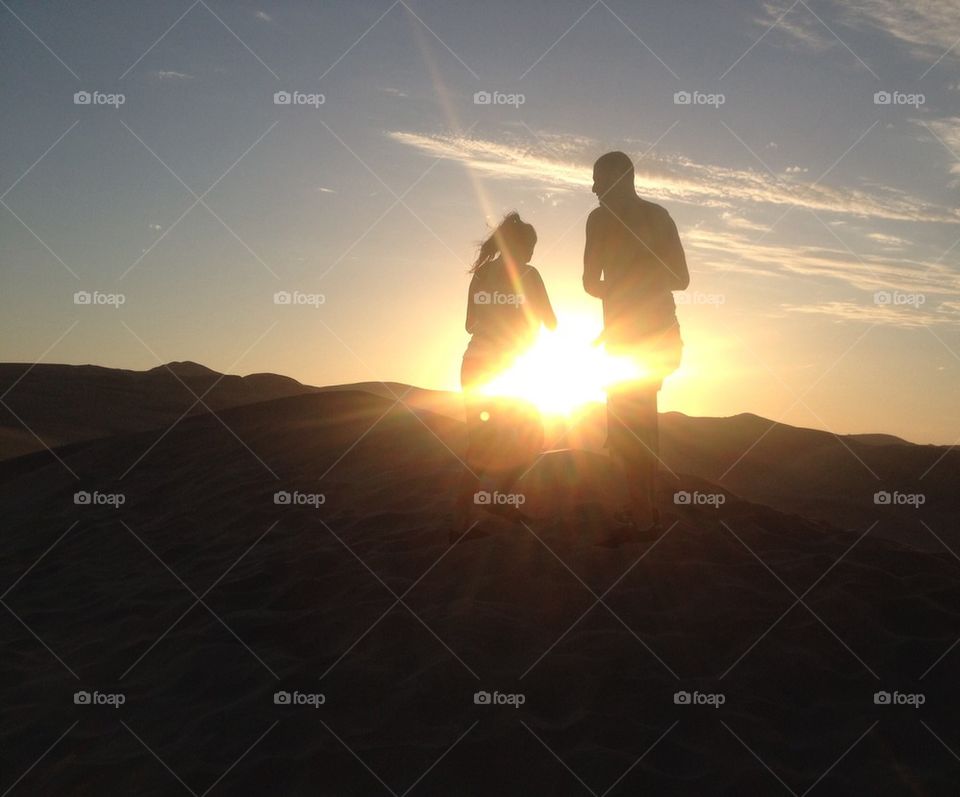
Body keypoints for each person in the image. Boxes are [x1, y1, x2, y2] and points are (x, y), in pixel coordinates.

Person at [583, 151, 689, 534]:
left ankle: (642, 514)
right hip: (634, 335)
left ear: (620, 178)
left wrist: (627, 284)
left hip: (645, 335)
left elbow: (681, 278)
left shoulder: (650, 217)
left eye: (599, 178)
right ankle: (644, 509)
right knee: (637, 421)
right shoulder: (605, 220)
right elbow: (590, 282)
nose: (593, 187)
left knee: (632, 423)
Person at [455, 212, 557, 533]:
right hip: (508, 369)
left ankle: (461, 523)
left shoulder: (482, 275)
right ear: (520, 246)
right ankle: (496, 499)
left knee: (480, 447)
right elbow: (551, 322)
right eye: (530, 246)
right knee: (533, 436)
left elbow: (469, 324)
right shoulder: (530, 275)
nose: (531, 253)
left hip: (475, 364)